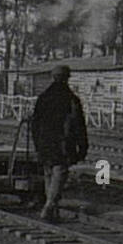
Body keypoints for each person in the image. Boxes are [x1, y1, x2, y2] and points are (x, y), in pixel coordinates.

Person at [30, 65, 88, 223]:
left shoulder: (43, 98)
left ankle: (51, 208)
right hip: (62, 143)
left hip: (45, 143)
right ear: (67, 78)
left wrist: (37, 144)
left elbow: (34, 124)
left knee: (49, 173)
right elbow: (79, 125)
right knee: (59, 172)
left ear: (53, 77)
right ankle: (49, 206)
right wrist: (83, 147)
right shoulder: (71, 99)